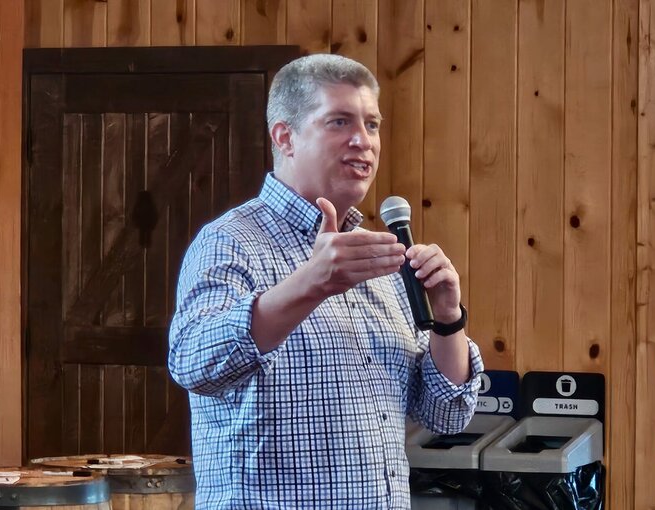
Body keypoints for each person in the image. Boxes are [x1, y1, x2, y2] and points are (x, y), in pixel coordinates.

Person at [168, 53, 483, 509]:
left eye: (372, 125)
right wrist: (311, 284)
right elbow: (193, 362)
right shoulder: (230, 241)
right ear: (285, 136)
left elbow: (445, 413)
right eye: (339, 122)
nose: (364, 141)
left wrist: (449, 318)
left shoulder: (377, 259)